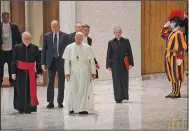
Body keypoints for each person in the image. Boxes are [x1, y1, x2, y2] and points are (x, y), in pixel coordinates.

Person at [62, 32, 96, 114]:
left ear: (83, 39)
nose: (78, 40)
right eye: (77, 38)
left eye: (80, 38)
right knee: (73, 89)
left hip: (85, 71)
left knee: (83, 90)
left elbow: (92, 61)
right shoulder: (69, 47)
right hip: (73, 71)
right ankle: (72, 107)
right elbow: (66, 61)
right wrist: (67, 72)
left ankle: (82, 108)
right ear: (74, 38)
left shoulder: (88, 47)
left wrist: (93, 72)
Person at [11, 31, 42, 114]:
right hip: (20, 72)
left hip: (31, 72)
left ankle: (30, 108)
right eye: (25, 38)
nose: (27, 40)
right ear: (22, 38)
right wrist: (13, 72)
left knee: (31, 90)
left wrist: (39, 72)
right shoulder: (17, 47)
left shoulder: (35, 47)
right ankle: (20, 108)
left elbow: (38, 61)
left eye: (29, 38)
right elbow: (13, 60)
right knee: (20, 90)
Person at [41, 20, 68, 109]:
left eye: (56, 26)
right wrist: (42, 63)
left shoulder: (65, 36)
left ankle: (60, 102)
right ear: (51, 27)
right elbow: (44, 50)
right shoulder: (47, 36)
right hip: (51, 62)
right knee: (50, 82)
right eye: (53, 26)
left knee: (61, 82)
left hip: (61, 62)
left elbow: (67, 50)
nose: (54, 28)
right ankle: (50, 102)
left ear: (59, 26)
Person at [161, 9, 187, 98]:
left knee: (176, 74)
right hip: (169, 55)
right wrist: (165, 26)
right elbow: (163, 35)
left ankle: (177, 92)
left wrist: (180, 57)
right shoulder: (170, 33)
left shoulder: (179, 33)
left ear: (177, 23)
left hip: (176, 56)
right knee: (171, 74)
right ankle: (173, 91)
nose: (171, 23)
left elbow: (183, 47)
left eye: (172, 22)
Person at [106, 26, 134, 103]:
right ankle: (118, 98)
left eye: (119, 32)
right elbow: (109, 54)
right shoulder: (111, 42)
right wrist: (108, 65)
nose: (118, 34)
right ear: (114, 33)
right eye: (116, 32)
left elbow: (129, 52)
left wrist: (131, 63)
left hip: (124, 64)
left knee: (124, 80)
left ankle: (124, 96)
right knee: (116, 81)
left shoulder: (126, 41)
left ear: (121, 33)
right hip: (114, 65)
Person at [0, 12, 22, 87]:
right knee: (0, 66)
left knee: (11, 66)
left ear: (9, 18)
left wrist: (19, 47)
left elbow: (19, 38)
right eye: (4, 17)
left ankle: (12, 81)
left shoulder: (14, 26)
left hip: (11, 50)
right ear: (2, 18)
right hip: (1, 51)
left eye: (7, 17)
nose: (6, 18)